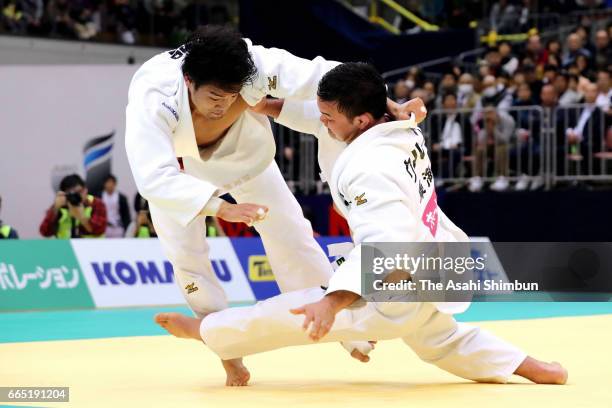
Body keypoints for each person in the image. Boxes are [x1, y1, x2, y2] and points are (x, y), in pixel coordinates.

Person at [155, 62, 568, 386]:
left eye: (330, 116)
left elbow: (388, 243)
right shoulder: (400, 129)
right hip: (438, 259)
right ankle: (535, 367)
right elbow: (313, 116)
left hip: (400, 274)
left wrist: (332, 301)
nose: (323, 123)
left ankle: (210, 331)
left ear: (363, 120)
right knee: (438, 338)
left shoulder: (369, 170)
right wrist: (258, 103)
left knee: (295, 313)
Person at [125, 25, 425, 386]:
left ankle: (344, 328)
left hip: (244, 154)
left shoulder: (255, 63)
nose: (222, 105)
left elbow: (322, 74)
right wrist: (221, 208)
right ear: (189, 81)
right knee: (188, 258)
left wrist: (384, 104)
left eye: (231, 95)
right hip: (178, 168)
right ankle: (228, 354)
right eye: (215, 96)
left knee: (291, 234)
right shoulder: (153, 96)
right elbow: (152, 176)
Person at [39, 174, 107, 238]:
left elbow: (99, 230)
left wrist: (82, 217)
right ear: (64, 194)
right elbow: (45, 232)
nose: (75, 196)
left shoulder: (95, 203)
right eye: (71, 193)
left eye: (79, 192)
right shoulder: (60, 206)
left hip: (91, 248)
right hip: (65, 248)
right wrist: (55, 208)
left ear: (85, 190)